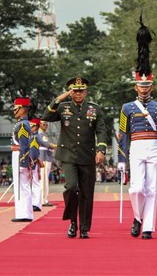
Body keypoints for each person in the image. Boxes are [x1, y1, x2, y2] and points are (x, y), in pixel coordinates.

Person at [117, 18, 157, 240]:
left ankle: (148, 226)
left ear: (152, 87)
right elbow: (123, 134)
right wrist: (121, 158)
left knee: (151, 189)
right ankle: (138, 217)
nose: (144, 89)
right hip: (136, 147)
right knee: (136, 189)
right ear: (135, 86)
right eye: (141, 85)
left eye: (147, 86)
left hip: (153, 146)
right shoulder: (127, 108)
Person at [42, 77, 108, 239]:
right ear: (70, 92)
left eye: (81, 91)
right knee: (71, 187)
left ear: (86, 92)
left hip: (87, 156)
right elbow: (46, 117)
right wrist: (59, 99)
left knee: (87, 193)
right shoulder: (63, 107)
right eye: (75, 91)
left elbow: (101, 131)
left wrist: (101, 150)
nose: (78, 94)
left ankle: (84, 228)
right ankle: (73, 221)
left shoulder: (94, 109)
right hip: (68, 155)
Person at [11, 97, 33, 222]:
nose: (14, 111)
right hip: (18, 154)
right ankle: (24, 212)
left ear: (23, 109)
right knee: (22, 186)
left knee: (21, 186)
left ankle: (23, 213)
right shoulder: (22, 123)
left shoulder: (23, 125)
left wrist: (23, 162)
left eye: (16, 109)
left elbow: (24, 145)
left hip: (19, 155)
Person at [38, 120, 57, 206]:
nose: (46, 126)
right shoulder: (41, 134)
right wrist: (59, 146)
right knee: (44, 180)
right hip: (44, 158)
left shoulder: (44, 134)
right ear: (39, 125)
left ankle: (44, 199)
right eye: (43, 124)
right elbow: (48, 145)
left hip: (46, 157)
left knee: (45, 179)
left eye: (46, 124)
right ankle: (43, 200)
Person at [29, 118, 42, 212]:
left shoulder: (34, 137)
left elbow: (33, 151)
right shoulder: (33, 136)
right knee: (34, 183)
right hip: (33, 161)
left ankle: (36, 204)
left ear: (36, 127)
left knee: (35, 183)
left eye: (32, 126)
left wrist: (32, 162)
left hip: (33, 161)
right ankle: (35, 203)